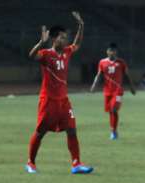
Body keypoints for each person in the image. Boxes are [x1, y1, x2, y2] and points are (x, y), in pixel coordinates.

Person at [25, 12, 93, 174]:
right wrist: (40, 43)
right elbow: (32, 56)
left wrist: (81, 26)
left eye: (65, 37)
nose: (65, 40)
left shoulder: (67, 52)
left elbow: (77, 43)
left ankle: (76, 164)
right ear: (54, 39)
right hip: (48, 101)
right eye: (62, 37)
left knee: (72, 130)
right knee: (40, 132)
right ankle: (30, 162)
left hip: (63, 101)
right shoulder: (46, 54)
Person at [90, 42, 136, 140]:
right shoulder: (102, 62)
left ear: (116, 52)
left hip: (118, 91)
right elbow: (99, 75)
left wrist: (132, 87)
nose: (112, 52)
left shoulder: (121, 62)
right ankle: (113, 130)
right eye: (110, 50)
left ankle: (114, 132)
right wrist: (94, 85)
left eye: (114, 51)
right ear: (107, 51)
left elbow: (127, 75)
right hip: (107, 91)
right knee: (110, 111)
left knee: (113, 109)